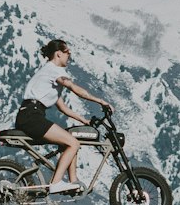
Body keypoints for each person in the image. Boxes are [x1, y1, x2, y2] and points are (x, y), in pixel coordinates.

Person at [16, 39, 112, 194]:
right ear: (58, 54)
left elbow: (62, 107)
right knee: (73, 143)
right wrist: (100, 101)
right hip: (32, 116)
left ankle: (73, 182)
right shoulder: (55, 71)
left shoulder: (48, 73)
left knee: (69, 140)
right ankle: (56, 183)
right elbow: (74, 88)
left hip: (29, 114)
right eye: (68, 52)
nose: (69, 56)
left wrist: (83, 120)